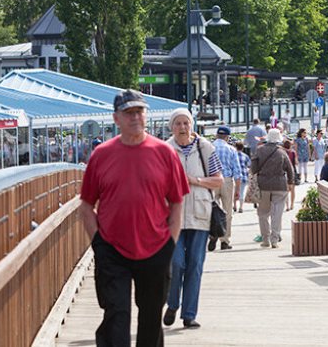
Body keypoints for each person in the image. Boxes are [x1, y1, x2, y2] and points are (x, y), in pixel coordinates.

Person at [79, 90, 189, 347]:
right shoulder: (102, 155)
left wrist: (170, 244)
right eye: (129, 113)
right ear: (116, 118)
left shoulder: (164, 152)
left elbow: (176, 202)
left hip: (156, 248)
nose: (135, 117)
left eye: (139, 111)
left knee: (151, 318)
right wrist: (98, 244)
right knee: (116, 314)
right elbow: (85, 206)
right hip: (112, 249)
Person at [165, 109, 223, 330]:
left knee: (195, 265)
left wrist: (194, 180)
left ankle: (189, 314)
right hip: (173, 216)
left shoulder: (205, 148)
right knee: (176, 263)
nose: (182, 127)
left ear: (192, 125)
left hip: (200, 213)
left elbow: (218, 181)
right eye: (178, 123)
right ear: (172, 127)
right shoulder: (165, 150)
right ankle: (172, 304)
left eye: (186, 123)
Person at [251, 129, 294, 248]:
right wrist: (290, 182)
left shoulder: (259, 150)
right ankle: (274, 239)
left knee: (263, 213)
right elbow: (290, 169)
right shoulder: (282, 152)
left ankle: (265, 239)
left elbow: (253, 168)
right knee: (277, 213)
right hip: (280, 185)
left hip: (263, 185)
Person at [208, 127, 241, 252]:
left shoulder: (209, 148)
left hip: (212, 180)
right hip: (227, 180)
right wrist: (238, 190)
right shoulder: (231, 149)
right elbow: (237, 172)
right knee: (227, 212)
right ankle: (225, 240)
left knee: (211, 210)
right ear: (227, 137)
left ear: (216, 135)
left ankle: (212, 234)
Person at [234, 141, 251, 213]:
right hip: (243, 176)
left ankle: (234, 205)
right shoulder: (245, 156)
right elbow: (249, 165)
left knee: (234, 191)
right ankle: (241, 207)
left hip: (234, 176)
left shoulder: (233, 155)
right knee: (242, 192)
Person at [282, 139, 297, 209]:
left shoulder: (282, 152)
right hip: (292, 171)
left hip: (284, 171)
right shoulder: (293, 152)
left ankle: (287, 206)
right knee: (293, 189)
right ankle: (292, 204)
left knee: (286, 190)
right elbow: (296, 162)